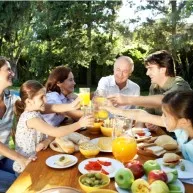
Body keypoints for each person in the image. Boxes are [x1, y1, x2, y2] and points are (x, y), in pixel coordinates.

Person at [13, 80, 94, 173]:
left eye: (45, 96)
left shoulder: (35, 110)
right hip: (26, 169)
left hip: (37, 159)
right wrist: (80, 124)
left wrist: (74, 104)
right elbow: (56, 132)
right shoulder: (31, 118)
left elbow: (55, 107)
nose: (45, 100)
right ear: (29, 101)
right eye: (41, 97)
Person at [108, 50, 191, 131]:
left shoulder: (180, 85)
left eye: (150, 68)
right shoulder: (154, 86)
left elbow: (166, 100)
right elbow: (146, 113)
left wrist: (127, 99)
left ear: (163, 69)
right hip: (161, 135)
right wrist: (149, 124)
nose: (147, 73)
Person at [104, 90, 193, 163]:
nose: (162, 118)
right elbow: (142, 115)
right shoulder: (180, 128)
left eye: (165, 115)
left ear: (184, 122)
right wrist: (115, 110)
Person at [0, 57, 36, 192]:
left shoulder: (10, 98)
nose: (13, 73)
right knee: (19, 185)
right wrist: (20, 158)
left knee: (31, 172)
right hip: (7, 156)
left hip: (3, 158)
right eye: (8, 69)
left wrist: (68, 107)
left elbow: (34, 104)